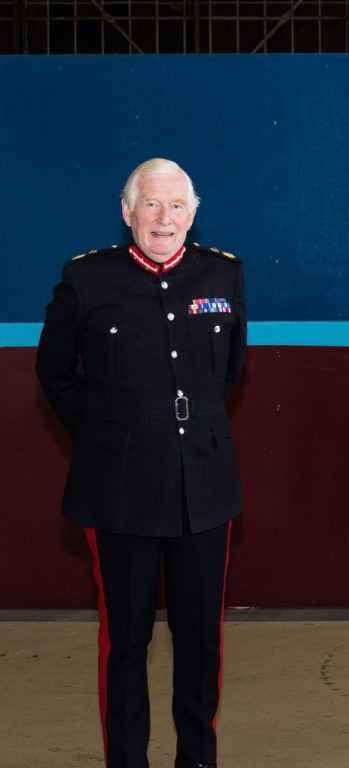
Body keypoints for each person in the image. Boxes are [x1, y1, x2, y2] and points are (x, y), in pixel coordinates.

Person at [36, 158, 247, 768]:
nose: (164, 218)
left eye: (176, 206)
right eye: (150, 205)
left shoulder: (223, 274)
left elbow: (230, 371)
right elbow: (54, 373)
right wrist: (108, 434)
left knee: (200, 639)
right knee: (126, 642)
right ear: (127, 212)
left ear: (193, 213)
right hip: (119, 490)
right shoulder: (87, 280)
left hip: (203, 488)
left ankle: (197, 759)